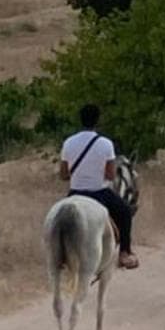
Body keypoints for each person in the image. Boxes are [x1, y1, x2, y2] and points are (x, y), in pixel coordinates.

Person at [59, 104, 139, 268]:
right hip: (99, 193)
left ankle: (60, 256)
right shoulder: (105, 144)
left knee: (60, 218)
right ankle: (125, 253)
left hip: (75, 193)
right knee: (125, 212)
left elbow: (64, 175)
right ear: (97, 121)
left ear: (80, 120)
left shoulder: (68, 143)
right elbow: (110, 175)